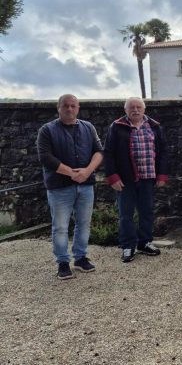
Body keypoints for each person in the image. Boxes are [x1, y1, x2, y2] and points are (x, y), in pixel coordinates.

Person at [36, 94, 103, 280]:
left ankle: (80, 258)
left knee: (83, 224)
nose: (69, 109)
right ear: (58, 107)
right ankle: (63, 262)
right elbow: (45, 157)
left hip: (86, 185)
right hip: (59, 187)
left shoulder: (88, 127)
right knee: (60, 227)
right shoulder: (47, 130)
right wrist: (73, 173)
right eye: (65, 105)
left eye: (73, 105)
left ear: (78, 107)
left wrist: (88, 171)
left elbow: (98, 151)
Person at [104, 97, 169, 263]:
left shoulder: (154, 126)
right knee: (126, 214)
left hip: (148, 178)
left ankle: (145, 242)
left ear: (144, 109)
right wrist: (113, 177)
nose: (135, 110)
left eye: (138, 107)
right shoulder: (117, 127)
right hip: (126, 179)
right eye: (131, 107)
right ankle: (127, 246)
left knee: (146, 211)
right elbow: (109, 153)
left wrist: (162, 175)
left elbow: (163, 152)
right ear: (125, 110)